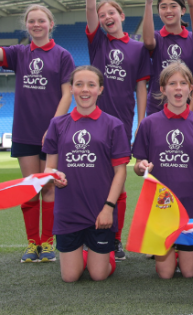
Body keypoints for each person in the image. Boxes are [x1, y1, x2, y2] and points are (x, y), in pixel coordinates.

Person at [86, 0, 152, 260]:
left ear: (122, 15)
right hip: (92, 121)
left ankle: (113, 238)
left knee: (117, 182)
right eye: (102, 15)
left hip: (122, 124)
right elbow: (88, 10)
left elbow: (142, 89)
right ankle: (89, 233)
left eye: (111, 12)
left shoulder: (138, 49)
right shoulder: (98, 41)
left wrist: (141, 124)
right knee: (88, 178)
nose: (106, 17)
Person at [0, 4, 74, 263]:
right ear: (27, 25)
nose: (36, 24)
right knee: (30, 190)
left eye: (41, 20)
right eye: (31, 21)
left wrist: (53, 127)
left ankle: (48, 242)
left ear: (51, 23)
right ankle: (32, 244)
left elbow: (68, 93)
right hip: (23, 131)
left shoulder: (63, 55)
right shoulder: (18, 53)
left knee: (49, 189)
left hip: (51, 133)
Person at [43, 66, 130, 282]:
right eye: (79, 84)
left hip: (100, 212)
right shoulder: (57, 124)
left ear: (100, 89)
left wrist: (109, 208)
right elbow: (49, 168)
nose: (85, 90)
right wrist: (54, 177)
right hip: (68, 212)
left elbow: (120, 172)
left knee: (98, 275)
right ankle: (84, 253)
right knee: (70, 277)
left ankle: (98, 254)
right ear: (71, 88)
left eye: (91, 85)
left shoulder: (113, 125)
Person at [132, 62, 193, 277]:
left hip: (192, 205)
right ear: (162, 89)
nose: (178, 88)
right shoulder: (149, 124)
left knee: (189, 272)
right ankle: (168, 253)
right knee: (165, 274)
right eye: (172, 84)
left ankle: (188, 254)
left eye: (183, 83)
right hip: (161, 205)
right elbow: (138, 167)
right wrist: (141, 166)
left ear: (191, 88)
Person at [142, 0, 193, 115]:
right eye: (163, 7)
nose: (168, 11)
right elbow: (148, 42)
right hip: (157, 107)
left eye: (173, 6)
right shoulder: (156, 37)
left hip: (187, 107)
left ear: (183, 10)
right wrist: (149, 3)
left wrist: (191, 110)